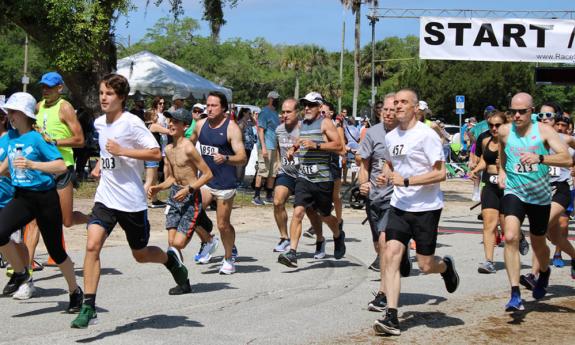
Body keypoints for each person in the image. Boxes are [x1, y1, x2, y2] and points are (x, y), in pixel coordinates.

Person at [71, 74, 190, 328]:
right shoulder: (99, 123)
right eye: (102, 92)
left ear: (122, 98)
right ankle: (89, 306)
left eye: (109, 94)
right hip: (105, 197)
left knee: (141, 254)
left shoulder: (132, 123)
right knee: (92, 246)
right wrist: (101, 166)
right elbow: (107, 152)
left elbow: (155, 153)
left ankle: (170, 260)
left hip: (131, 202)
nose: (104, 97)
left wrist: (123, 151)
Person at [373, 89, 459, 336]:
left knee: (424, 264)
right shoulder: (392, 136)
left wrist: (408, 181)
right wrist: (386, 175)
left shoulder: (426, 136)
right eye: (395, 102)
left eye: (403, 103)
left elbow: (441, 173)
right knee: (390, 253)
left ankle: (445, 267)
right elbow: (391, 164)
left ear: (415, 108)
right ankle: (391, 315)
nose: (397, 106)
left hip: (426, 208)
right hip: (400, 205)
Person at [0, 92, 83, 310]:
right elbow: (9, 164)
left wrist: (33, 165)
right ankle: (20, 273)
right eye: (8, 111)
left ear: (25, 114)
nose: (9, 115)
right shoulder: (9, 137)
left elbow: (60, 166)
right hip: (22, 198)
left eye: (13, 111)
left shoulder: (38, 138)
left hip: (45, 198)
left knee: (56, 251)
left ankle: (75, 291)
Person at [497, 92, 570, 312]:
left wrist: (540, 158)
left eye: (522, 111)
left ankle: (544, 272)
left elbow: (566, 158)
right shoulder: (504, 131)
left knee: (539, 242)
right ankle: (515, 293)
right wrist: (502, 170)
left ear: (532, 111)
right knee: (510, 236)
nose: (517, 115)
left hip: (539, 196)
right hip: (514, 191)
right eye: (513, 111)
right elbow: (502, 152)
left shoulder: (545, 131)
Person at [148, 108, 214, 294]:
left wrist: (189, 189)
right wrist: (158, 187)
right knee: (171, 245)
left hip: (190, 197)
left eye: (175, 122)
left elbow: (208, 174)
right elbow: (171, 178)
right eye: (169, 121)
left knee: (178, 244)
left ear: (185, 126)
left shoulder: (188, 148)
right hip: (174, 196)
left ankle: (206, 233)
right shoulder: (168, 149)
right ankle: (183, 283)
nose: (170, 124)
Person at [27, 72, 89, 268]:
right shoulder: (38, 106)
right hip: (41, 169)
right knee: (34, 220)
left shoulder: (65, 108)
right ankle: (25, 273)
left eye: (50, 87)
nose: (45, 90)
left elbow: (79, 140)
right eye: (43, 87)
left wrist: (54, 142)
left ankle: (95, 219)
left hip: (62, 168)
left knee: (66, 220)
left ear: (60, 88)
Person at [277, 92, 345, 268]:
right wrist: (293, 149)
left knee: (324, 215)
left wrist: (317, 146)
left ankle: (338, 234)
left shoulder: (325, 123)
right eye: (305, 104)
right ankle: (292, 252)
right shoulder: (303, 124)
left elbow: (339, 147)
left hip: (322, 178)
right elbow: (301, 141)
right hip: (304, 177)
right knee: (298, 212)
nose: (307, 108)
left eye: (311, 105)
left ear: (320, 107)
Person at [359, 93, 411, 313]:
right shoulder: (373, 133)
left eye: (393, 109)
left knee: (385, 242)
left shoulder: (407, 133)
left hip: (397, 198)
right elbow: (364, 164)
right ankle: (402, 255)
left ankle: (383, 294)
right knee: (379, 246)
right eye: (385, 110)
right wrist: (363, 184)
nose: (389, 113)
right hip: (375, 197)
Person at [191, 91, 247, 275]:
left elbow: (242, 158)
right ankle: (209, 240)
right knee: (191, 213)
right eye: (208, 105)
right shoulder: (200, 125)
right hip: (206, 180)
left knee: (223, 224)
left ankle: (229, 257)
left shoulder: (232, 128)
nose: (209, 108)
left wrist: (226, 158)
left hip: (225, 183)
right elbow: (187, 145)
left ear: (223, 108)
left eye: (214, 105)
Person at [520, 104, 575, 287]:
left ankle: (535, 275)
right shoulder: (532, 139)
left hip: (560, 190)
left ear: (556, 120)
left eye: (549, 116)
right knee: (555, 237)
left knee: (539, 229)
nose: (544, 119)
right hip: (540, 190)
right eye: (541, 116)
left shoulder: (564, 139)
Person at [469, 111, 507, 274]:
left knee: (507, 228)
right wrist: (476, 170)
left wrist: (506, 163)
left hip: (508, 187)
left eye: (497, 125)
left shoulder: (513, 142)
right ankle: (489, 261)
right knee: (488, 225)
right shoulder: (486, 140)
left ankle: (518, 238)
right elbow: (484, 158)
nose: (494, 128)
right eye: (491, 125)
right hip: (490, 185)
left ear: (505, 125)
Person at [253, 91, 280, 205]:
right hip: (266, 146)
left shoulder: (275, 113)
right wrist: (263, 147)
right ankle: (256, 196)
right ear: (270, 99)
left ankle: (269, 195)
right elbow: (260, 130)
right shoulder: (264, 112)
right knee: (262, 170)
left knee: (273, 172)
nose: (277, 101)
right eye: (275, 99)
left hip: (274, 146)